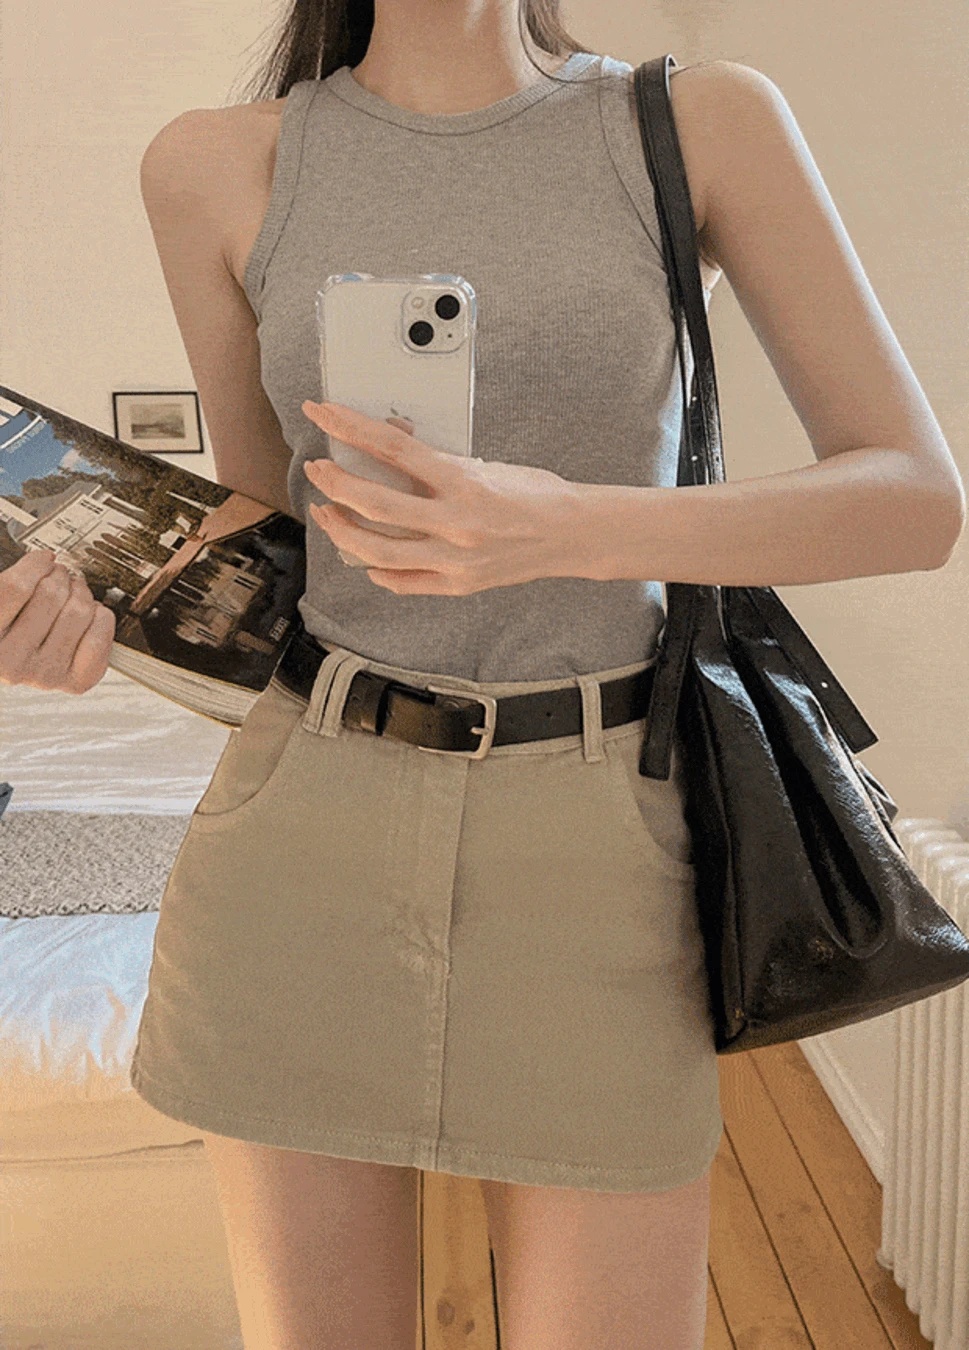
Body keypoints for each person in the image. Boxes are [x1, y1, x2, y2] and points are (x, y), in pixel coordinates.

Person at [3, 0, 963, 1346]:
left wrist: (564, 526)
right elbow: (271, 533)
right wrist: (82, 612)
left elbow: (913, 502)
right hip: (301, 834)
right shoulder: (212, 164)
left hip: (600, 838)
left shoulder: (697, 122)